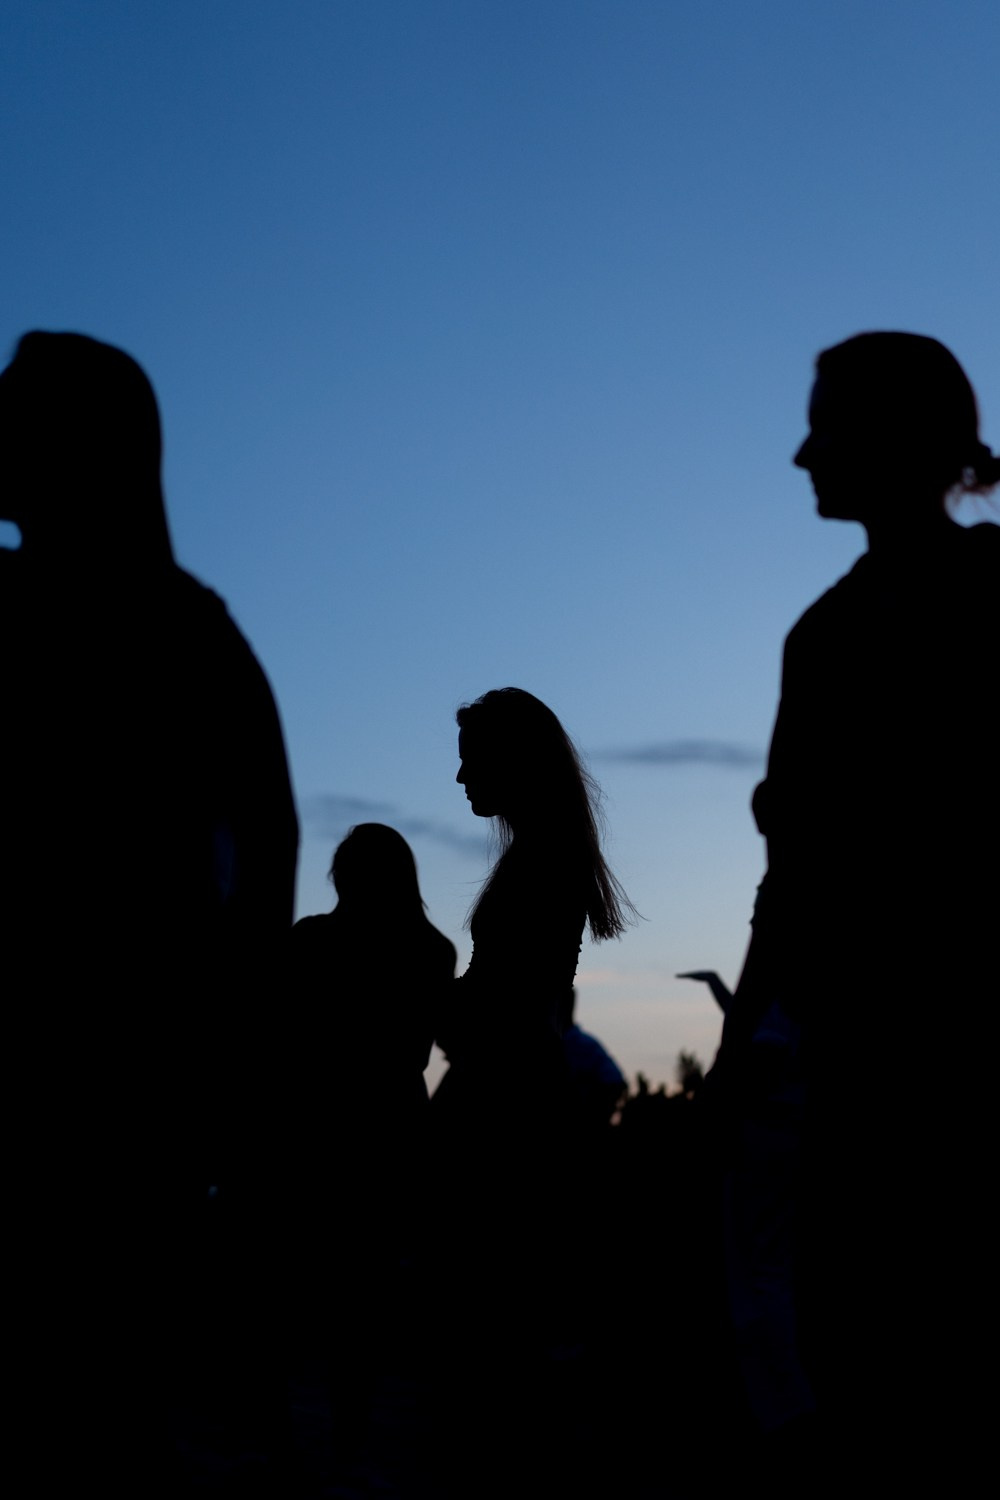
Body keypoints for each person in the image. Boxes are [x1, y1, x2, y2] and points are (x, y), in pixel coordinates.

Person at [0, 330, 299, 1485]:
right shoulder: (188, 632)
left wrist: (220, 1082)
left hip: (111, 1100)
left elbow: (256, 871)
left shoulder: (184, 639)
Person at [717, 332, 999, 1487]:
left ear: (896, 437)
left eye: (825, 424)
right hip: (867, 1069)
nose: (799, 454)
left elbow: (799, 870)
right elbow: (792, 874)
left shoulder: (875, 626)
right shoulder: (825, 632)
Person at [431, 687, 634, 1492]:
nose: (458, 778)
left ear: (511, 762)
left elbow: (502, 1006)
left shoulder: (537, 863)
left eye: (471, 759)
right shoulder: (548, 856)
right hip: (519, 1098)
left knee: (486, 1316)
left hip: (501, 1106)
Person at [288, 823, 455, 1476]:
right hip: (392, 1126)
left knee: (321, 1280)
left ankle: (322, 1432)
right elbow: (425, 1047)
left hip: (320, 1124)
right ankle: (356, 1432)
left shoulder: (308, 941)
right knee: (371, 1284)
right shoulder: (432, 950)